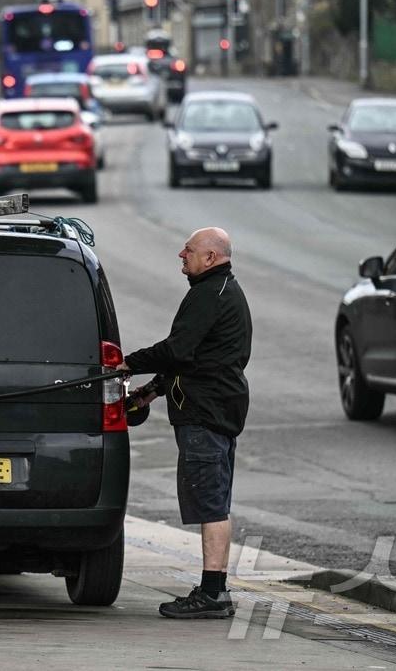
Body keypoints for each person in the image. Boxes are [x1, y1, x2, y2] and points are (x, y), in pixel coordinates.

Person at [124, 227, 251, 619]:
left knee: (211, 505)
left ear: (211, 257)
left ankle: (214, 594)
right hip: (213, 408)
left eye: (190, 250)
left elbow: (177, 350)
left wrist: (127, 362)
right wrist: (152, 391)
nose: (182, 254)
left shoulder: (210, 295)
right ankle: (213, 590)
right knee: (212, 501)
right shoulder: (216, 290)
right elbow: (191, 359)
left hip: (205, 413)